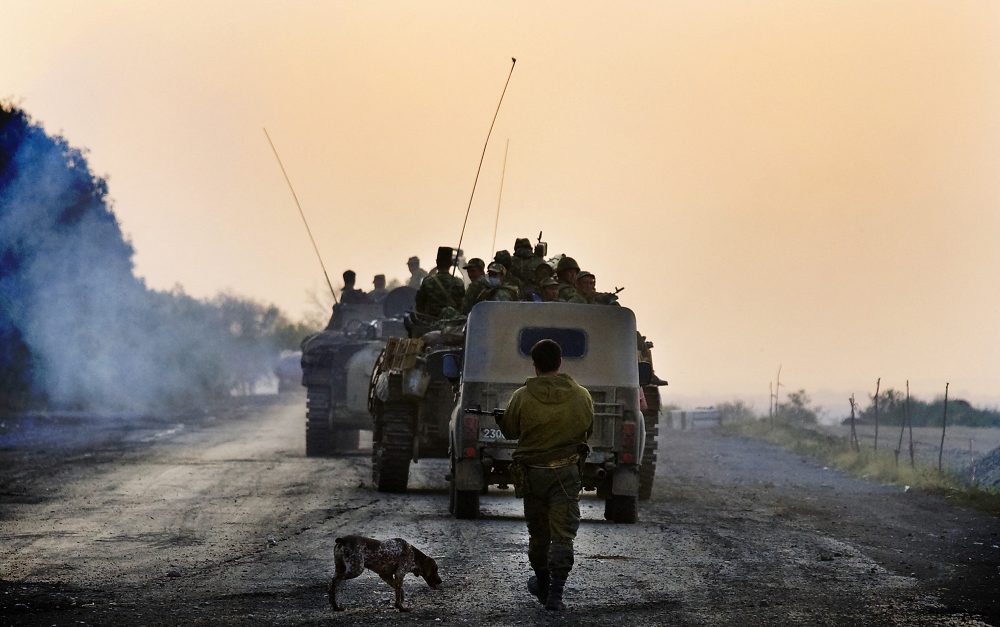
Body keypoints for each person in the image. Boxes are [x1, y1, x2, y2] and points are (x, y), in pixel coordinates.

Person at [499, 339, 594, 611]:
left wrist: (502, 420)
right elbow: (588, 429)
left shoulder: (521, 396)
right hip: (566, 475)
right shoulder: (581, 395)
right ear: (560, 362)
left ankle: (542, 585)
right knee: (563, 535)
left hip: (533, 476)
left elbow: (511, 431)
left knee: (538, 535)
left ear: (535, 365)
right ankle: (556, 594)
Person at [414, 247, 465, 319]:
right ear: (451, 263)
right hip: (453, 324)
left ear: (437, 262)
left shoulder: (427, 281)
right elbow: (462, 306)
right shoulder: (458, 282)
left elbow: (419, 306)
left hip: (431, 324)